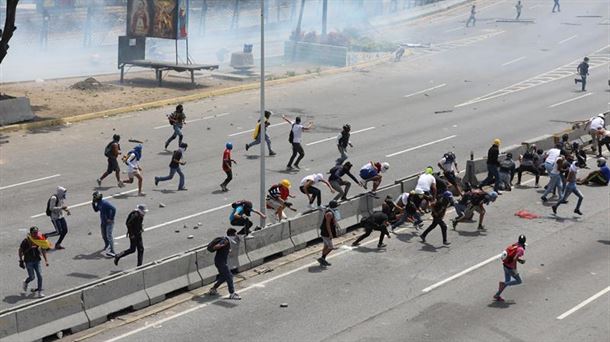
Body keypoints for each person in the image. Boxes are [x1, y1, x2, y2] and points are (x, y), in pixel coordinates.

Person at [207, 228, 241, 300]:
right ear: (233, 234)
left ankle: (213, 289)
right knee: (229, 276)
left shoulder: (227, 240)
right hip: (221, 262)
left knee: (224, 277)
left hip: (220, 261)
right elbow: (216, 247)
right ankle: (232, 294)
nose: (236, 235)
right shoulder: (225, 241)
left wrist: (227, 249)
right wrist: (220, 245)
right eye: (236, 233)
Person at [19, 226, 50, 298]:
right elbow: (20, 251)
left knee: (40, 276)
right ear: (31, 233)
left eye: (36, 232)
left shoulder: (39, 240)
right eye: (34, 233)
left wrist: (46, 260)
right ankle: (26, 282)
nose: (35, 234)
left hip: (37, 260)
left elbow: (43, 249)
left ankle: (40, 292)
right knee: (32, 277)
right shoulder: (26, 241)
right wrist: (21, 260)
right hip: (28, 261)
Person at [494, 235, 526, 302]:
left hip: (505, 265)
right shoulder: (521, 249)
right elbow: (514, 258)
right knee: (518, 281)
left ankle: (497, 295)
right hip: (510, 268)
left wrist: (519, 260)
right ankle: (504, 284)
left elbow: (512, 256)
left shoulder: (515, 245)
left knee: (508, 280)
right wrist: (515, 270)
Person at [92, 191, 117, 257]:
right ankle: (107, 245)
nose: (93, 198)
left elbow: (114, 209)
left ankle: (112, 251)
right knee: (104, 235)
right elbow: (96, 210)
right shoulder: (99, 203)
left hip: (109, 223)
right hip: (103, 222)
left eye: (94, 197)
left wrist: (111, 218)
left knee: (109, 235)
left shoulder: (104, 203)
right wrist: (93, 204)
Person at [318, 201, 340, 267]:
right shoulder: (329, 213)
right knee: (331, 247)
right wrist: (330, 234)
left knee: (326, 246)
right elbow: (327, 224)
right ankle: (322, 258)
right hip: (326, 232)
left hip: (326, 232)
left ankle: (323, 260)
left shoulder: (331, 211)